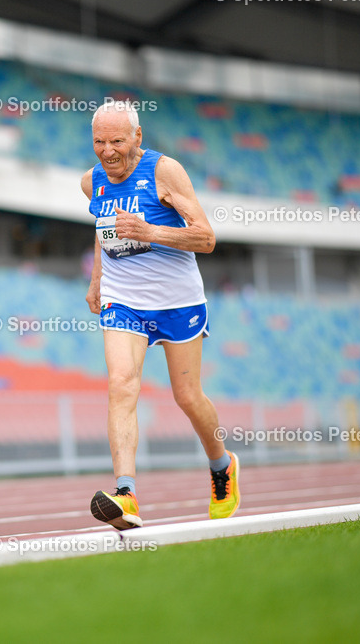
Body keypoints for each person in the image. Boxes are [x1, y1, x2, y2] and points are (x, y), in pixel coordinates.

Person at [83, 100, 239, 529]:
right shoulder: (91, 181)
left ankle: (221, 466)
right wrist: (98, 279)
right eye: (99, 141)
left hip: (177, 301)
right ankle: (126, 494)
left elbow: (206, 238)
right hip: (123, 300)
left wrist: (149, 231)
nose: (108, 151)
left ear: (138, 137)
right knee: (121, 384)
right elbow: (102, 226)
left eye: (117, 141)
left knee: (187, 397)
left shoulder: (164, 171)